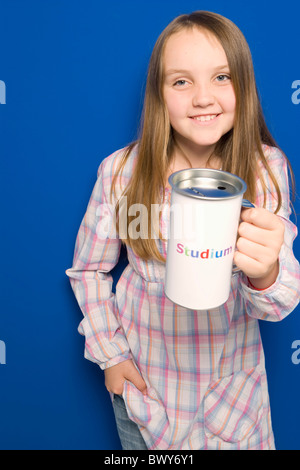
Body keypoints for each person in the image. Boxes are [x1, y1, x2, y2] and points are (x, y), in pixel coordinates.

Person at [66, 11, 300, 450]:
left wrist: (266, 271)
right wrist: (111, 356)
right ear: (160, 94)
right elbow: (87, 271)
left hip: (231, 406)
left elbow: (277, 305)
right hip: (145, 400)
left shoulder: (266, 170)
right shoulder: (121, 172)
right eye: (181, 82)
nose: (202, 98)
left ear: (243, 87)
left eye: (221, 77)